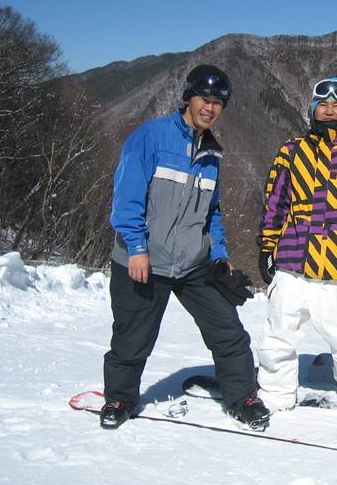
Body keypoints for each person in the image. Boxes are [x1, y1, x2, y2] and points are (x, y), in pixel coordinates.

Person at [101, 64, 270, 430]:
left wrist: (220, 255)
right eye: (204, 99)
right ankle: (119, 398)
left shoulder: (212, 155)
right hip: (145, 260)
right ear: (188, 98)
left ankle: (242, 397)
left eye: (218, 103)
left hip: (192, 263)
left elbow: (213, 213)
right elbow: (127, 198)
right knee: (132, 337)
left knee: (228, 331)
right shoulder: (151, 137)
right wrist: (136, 248)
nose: (210, 108)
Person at [256, 77, 337, 412]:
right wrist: (267, 247)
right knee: (279, 333)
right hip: (292, 260)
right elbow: (275, 203)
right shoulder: (291, 151)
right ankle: (276, 393)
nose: (329, 111)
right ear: (312, 110)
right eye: (323, 105)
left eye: (336, 105)